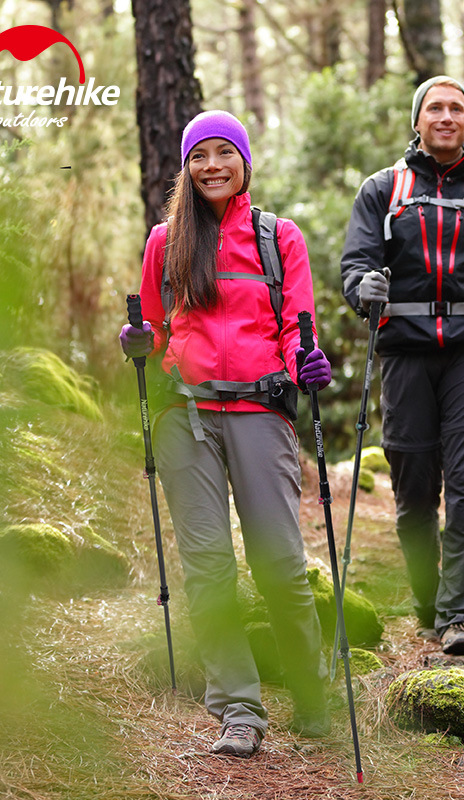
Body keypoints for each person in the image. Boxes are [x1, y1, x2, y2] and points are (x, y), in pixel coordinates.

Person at [119, 110, 332, 757]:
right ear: (186, 167)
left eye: (224, 153)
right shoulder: (165, 241)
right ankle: (238, 709)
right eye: (200, 156)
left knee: (280, 563)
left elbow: (299, 328)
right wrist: (137, 343)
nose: (212, 165)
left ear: (243, 162)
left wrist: (308, 361)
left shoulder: (278, 238)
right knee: (207, 569)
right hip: (184, 417)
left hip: (260, 413)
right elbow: (152, 330)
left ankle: (310, 686)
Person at [340, 76, 464, 657]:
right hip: (404, 353)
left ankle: (460, 618)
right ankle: (429, 603)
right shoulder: (382, 190)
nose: (447, 116)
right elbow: (355, 263)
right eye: (436, 108)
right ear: (418, 121)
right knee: (415, 489)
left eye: (457, 108)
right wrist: (363, 286)